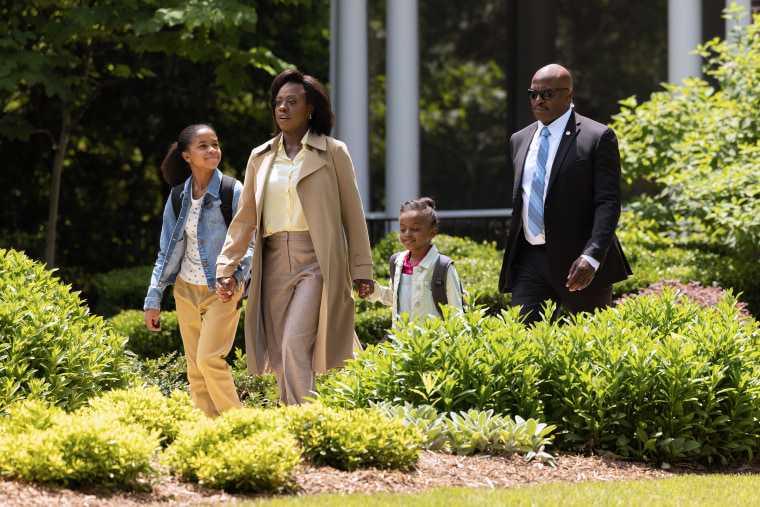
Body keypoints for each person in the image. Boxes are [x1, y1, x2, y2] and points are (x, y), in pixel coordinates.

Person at [215, 69, 374, 406]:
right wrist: (226, 267)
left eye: (292, 102)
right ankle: (293, 425)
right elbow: (244, 219)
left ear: (311, 108)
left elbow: (353, 214)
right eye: (278, 103)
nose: (282, 108)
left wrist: (362, 269)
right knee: (278, 350)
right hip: (271, 262)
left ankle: (306, 424)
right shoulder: (260, 157)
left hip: (316, 261)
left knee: (293, 344)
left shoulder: (333, 152)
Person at [498, 64, 631, 326]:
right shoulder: (519, 139)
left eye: (547, 94)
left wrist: (592, 256)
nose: (538, 100)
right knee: (522, 345)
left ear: (568, 95)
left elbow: (608, 203)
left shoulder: (596, 137)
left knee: (592, 347)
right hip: (529, 261)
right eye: (533, 94)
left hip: (580, 263)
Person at [144, 123, 254, 418]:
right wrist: (153, 300)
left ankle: (238, 425)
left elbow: (250, 243)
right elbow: (166, 252)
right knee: (195, 367)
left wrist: (234, 276)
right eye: (203, 146)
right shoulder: (178, 196)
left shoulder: (233, 190)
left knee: (209, 360)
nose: (212, 150)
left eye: (215, 144)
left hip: (222, 290)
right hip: (185, 289)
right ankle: (207, 431)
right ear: (186, 156)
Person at [367, 197, 463, 324]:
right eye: (402, 229)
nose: (407, 234)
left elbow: (456, 312)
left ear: (432, 232)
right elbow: (394, 297)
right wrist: (373, 291)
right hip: (402, 341)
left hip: (432, 342)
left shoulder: (442, 267)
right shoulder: (397, 263)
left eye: (415, 229)